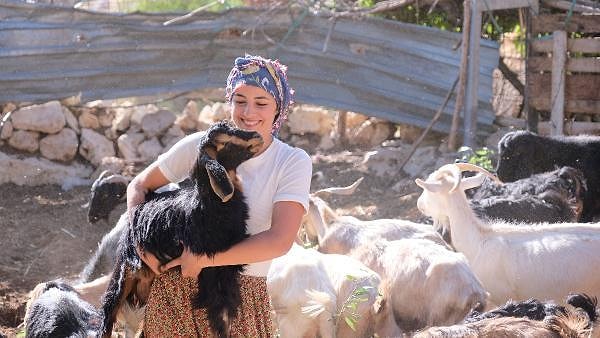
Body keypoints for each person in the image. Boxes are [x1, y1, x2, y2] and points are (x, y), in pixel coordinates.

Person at [126, 54, 312, 337]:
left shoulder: (290, 162)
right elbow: (139, 186)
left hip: (238, 299)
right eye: (240, 101)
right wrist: (139, 247)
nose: (248, 112)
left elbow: (279, 240)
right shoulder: (201, 147)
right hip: (174, 294)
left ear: (278, 108)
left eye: (261, 103)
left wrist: (203, 259)